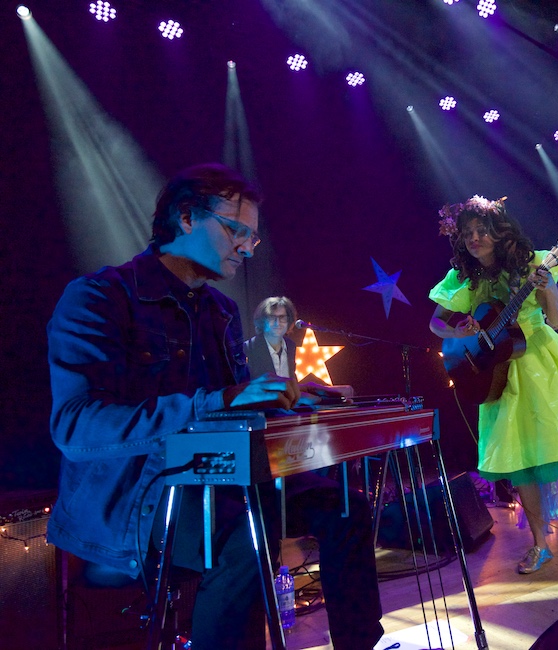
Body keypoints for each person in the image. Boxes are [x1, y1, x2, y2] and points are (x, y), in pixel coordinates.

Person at [46, 164, 382, 650]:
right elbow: (76, 428)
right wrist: (219, 400)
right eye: (236, 230)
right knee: (250, 536)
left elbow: (235, 410)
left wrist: (292, 397)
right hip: (139, 500)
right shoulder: (99, 298)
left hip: (216, 480)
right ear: (186, 218)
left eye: (253, 238)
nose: (246, 247)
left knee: (346, 507)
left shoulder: (219, 310)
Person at [428, 195, 558, 574]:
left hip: (537, 358)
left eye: (482, 231)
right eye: (468, 233)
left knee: (553, 429)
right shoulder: (464, 278)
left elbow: (557, 320)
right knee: (520, 457)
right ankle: (540, 545)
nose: (475, 238)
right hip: (496, 371)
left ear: (497, 233)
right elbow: (436, 323)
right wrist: (458, 328)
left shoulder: (529, 263)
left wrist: (549, 289)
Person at [244, 296, 381, 649]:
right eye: (272, 317)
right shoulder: (245, 351)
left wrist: (319, 393)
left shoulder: (291, 349)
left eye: (284, 317)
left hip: (287, 451)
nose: (278, 323)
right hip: (252, 462)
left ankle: (360, 640)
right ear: (260, 322)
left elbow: (294, 393)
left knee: (351, 507)